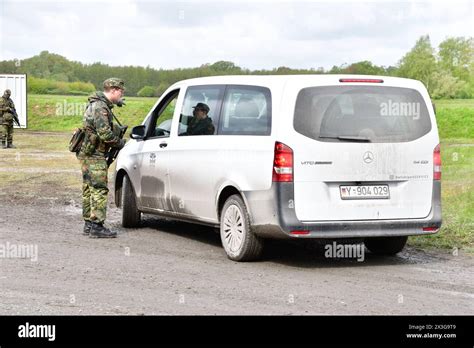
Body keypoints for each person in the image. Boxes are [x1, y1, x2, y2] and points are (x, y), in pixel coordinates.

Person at [78, 78, 126, 238]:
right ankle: (97, 226)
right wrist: (121, 143)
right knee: (99, 188)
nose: (122, 94)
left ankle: (88, 224)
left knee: (88, 188)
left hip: (87, 152)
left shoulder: (97, 103)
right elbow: (105, 134)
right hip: (94, 154)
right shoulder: (100, 106)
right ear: (113, 90)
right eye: (121, 91)